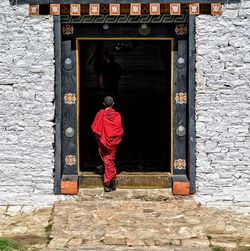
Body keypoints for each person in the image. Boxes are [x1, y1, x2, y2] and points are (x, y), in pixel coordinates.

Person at [91, 96, 123, 192]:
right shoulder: (117, 115)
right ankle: (109, 183)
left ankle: (107, 183)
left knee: (107, 161)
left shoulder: (100, 114)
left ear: (104, 104)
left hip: (103, 141)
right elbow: (119, 130)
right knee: (110, 161)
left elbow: (94, 128)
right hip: (113, 143)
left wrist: (100, 138)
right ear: (113, 104)